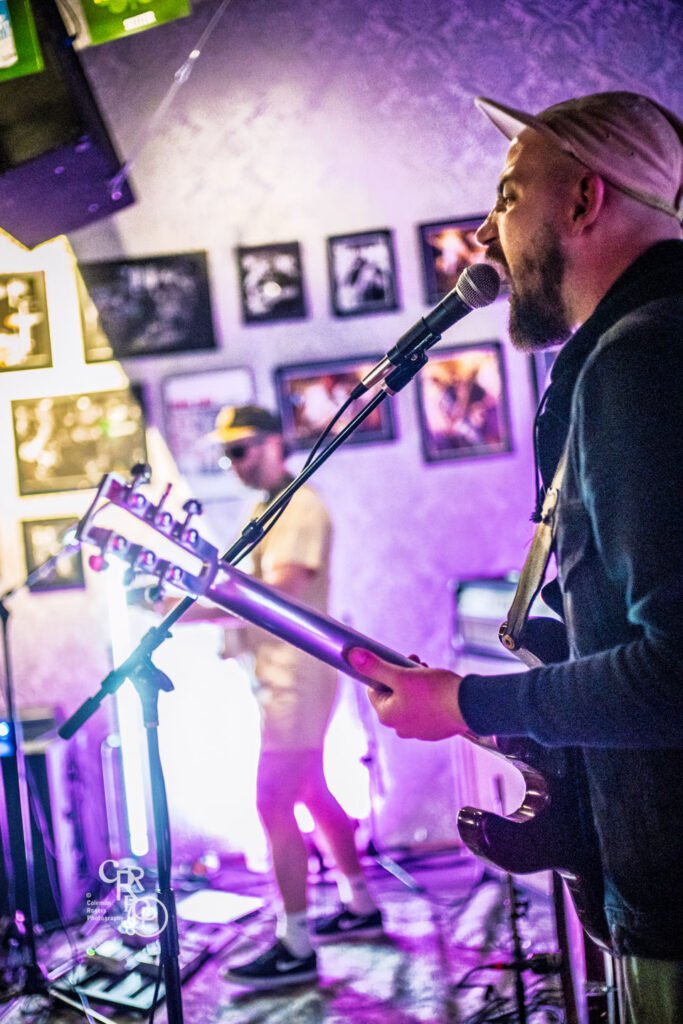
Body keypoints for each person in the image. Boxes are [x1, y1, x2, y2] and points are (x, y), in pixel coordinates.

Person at [348, 92, 683, 1024]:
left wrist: (468, 704)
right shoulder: (644, 347)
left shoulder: (641, 361)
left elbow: (675, 673)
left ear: (582, 199)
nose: (483, 230)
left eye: (505, 195)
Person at [186, 406, 382, 989]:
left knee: (272, 800)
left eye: (240, 449)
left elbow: (281, 594)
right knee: (313, 791)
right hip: (283, 676)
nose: (233, 464)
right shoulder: (265, 509)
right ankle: (360, 905)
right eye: (226, 454)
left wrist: (190, 610)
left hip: (297, 676)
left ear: (275, 443)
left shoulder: (300, 506)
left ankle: (295, 945)